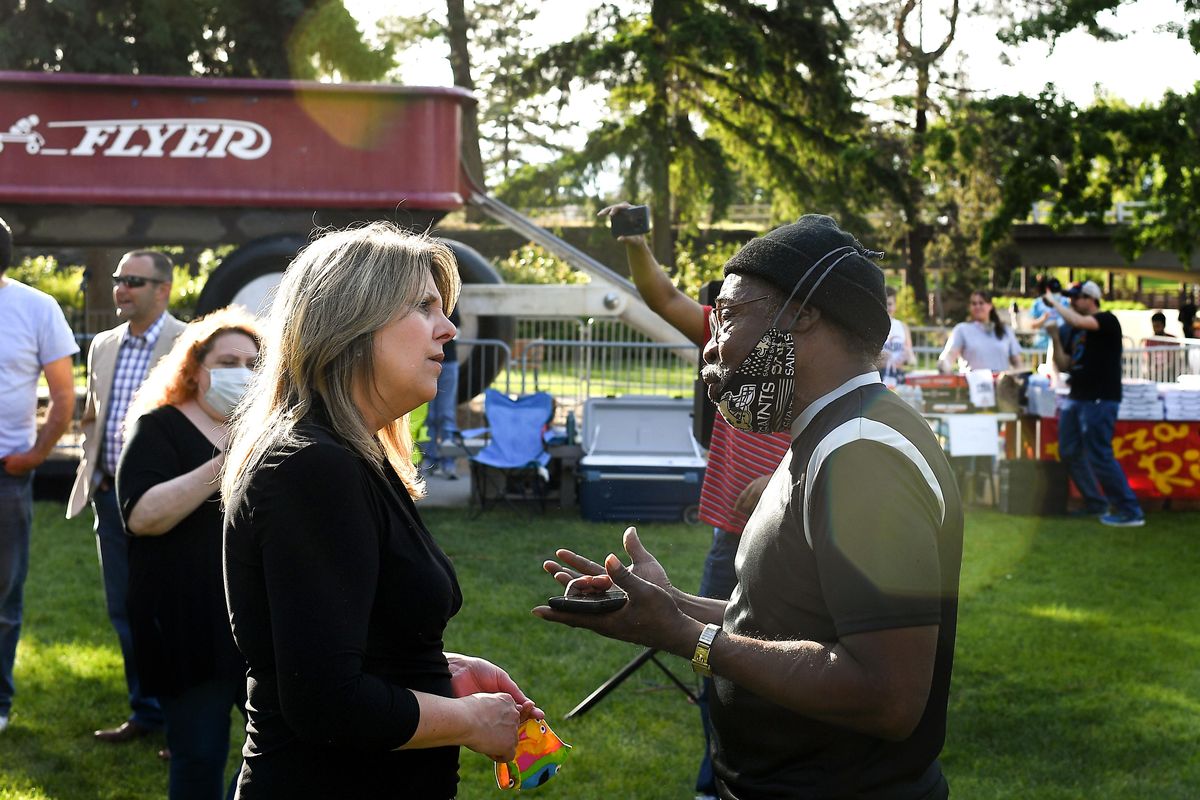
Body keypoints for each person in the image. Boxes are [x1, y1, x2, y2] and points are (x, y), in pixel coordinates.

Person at [538, 215, 964, 800]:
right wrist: (669, 608)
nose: (711, 346)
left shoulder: (863, 455)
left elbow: (886, 695)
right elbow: (787, 625)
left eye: (730, 315)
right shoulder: (829, 432)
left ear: (803, 312)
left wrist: (690, 636)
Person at [221, 223, 540, 798]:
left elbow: (346, 639)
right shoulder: (312, 468)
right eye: (423, 306)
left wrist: (442, 669)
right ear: (351, 322)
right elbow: (325, 701)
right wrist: (470, 720)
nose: (448, 329)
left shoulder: (352, 456)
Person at [599, 202, 792, 800]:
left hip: (795, 538)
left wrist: (787, 477)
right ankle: (718, 782)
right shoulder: (725, 334)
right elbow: (662, 297)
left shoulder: (811, 348)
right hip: (730, 538)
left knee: (784, 662)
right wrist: (635, 241)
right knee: (718, 660)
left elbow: (849, 422)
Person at [117, 306, 262, 798]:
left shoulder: (272, 435)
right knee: (199, 756)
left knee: (279, 754)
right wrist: (224, 463)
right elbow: (142, 516)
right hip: (185, 627)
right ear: (196, 370)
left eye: (252, 363)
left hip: (260, 627)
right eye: (228, 362)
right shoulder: (157, 428)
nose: (242, 373)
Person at [67, 249, 185, 743]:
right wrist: (91, 468)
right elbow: (94, 412)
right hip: (110, 499)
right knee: (125, 612)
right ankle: (147, 714)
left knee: (174, 614)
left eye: (134, 280)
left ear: (163, 290)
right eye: (118, 278)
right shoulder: (105, 344)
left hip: (169, 505)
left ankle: (185, 724)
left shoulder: (188, 343)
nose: (121, 288)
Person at [0, 216, 79, 734]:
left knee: (3, 594)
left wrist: (36, 455)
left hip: (7, 474)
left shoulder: (36, 307)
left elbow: (65, 396)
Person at [1046, 280, 1145, 527]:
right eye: (1068, 298)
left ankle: (1129, 510)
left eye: (1075, 297)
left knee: (1099, 454)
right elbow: (1065, 363)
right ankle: (1096, 503)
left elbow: (1080, 321)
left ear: (1091, 298)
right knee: (1068, 451)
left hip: (1100, 399)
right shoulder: (1071, 329)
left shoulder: (1107, 320)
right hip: (1076, 396)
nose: (1070, 301)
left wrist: (1053, 302)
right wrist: (1056, 338)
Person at [937, 289, 1022, 373]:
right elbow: (949, 356)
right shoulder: (962, 330)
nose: (977, 306)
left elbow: (1017, 363)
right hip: (972, 383)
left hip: (1000, 384)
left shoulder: (1005, 331)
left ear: (990, 305)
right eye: (974, 303)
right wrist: (943, 365)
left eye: (981, 303)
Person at [423, 307, 461, 479]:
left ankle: (448, 462)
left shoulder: (450, 297)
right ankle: (430, 459)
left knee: (446, 414)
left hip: (448, 361)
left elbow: (455, 323)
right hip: (428, 360)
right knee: (429, 415)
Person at [881, 286, 917, 385]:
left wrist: (908, 357)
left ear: (895, 305)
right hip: (879, 377)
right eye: (884, 304)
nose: (887, 308)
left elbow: (912, 360)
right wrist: (881, 359)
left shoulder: (903, 327)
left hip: (898, 376)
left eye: (890, 304)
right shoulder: (874, 327)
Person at [1028, 275, 1066, 351]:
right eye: (1053, 291)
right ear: (1047, 290)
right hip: (1041, 346)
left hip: (1062, 346)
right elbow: (1031, 325)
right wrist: (1043, 318)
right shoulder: (1037, 303)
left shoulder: (1065, 302)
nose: (1055, 295)